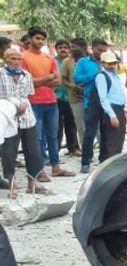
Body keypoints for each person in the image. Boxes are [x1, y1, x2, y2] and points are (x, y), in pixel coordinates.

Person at [21, 27, 74, 177]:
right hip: (33, 102)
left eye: (42, 39)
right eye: (37, 38)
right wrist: (47, 78)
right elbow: (26, 82)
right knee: (37, 137)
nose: (40, 41)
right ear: (30, 39)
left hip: (51, 101)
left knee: (53, 135)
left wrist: (40, 81)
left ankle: (56, 167)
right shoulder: (23, 57)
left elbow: (57, 81)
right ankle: (40, 170)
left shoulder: (48, 57)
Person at [0, 48, 49, 197]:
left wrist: (22, 107)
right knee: (9, 153)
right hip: (8, 118)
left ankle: (32, 183)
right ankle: (12, 185)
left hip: (27, 118)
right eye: (12, 59)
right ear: (5, 59)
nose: (15, 62)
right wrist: (14, 107)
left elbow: (28, 95)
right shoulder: (0, 74)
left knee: (33, 151)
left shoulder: (26, 75)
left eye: (18, 59)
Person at [73, 38, 108, 173]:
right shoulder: (83, 62)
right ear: (92, 48)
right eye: (99, 50)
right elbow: (77, 79)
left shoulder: (108, 62)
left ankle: (104, 160)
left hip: (106, 103)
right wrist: (96, 74)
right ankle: (86, 162)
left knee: (106, 133)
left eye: (104, 51)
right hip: (90, 102)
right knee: (90, 133)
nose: (102, 53)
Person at [95, 51, 127, 161]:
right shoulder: (102, 76)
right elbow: (103, 98)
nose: (112, 65)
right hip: (111, 110)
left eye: (114, 63)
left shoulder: (114, 75)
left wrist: (124, 112)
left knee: (118, 140)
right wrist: (112, 115)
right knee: (113, 143)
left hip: (119, 109)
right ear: (102, 63)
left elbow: (119, 94)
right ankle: (111, 166)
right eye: (109, 63)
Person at [54, 39, 80, 157]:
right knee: (57, 124)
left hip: (71, 96)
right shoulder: (52, 62)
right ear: (56, 49)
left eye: (65, 47)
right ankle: (55, 150)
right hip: (56, 97)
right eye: (60, 47)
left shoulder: (73, 61)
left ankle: (73, 147)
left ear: (69, 49)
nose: (63, 49)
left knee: (71, 123)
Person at [61, 38, 86, 151]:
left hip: (91, 98)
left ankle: (102, 150)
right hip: (75, 98)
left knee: (96, 126)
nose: (71, 49)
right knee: (80, 126)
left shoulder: (89, 60)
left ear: (82, 48)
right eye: (70, 46)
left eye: (73, 46)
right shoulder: (67, 61)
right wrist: (73, 86)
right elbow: (64, 79)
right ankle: (86, 150)